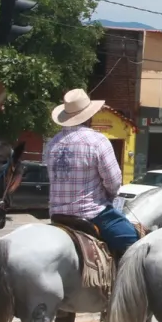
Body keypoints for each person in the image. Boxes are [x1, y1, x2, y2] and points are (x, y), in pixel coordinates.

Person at [43, 88, 137, 259]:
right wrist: (109, 196)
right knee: (133, 241)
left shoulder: (52, 144)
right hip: (91, 214)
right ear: (89, 115)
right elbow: (114, 182)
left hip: (57, 215)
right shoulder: (97, 141)